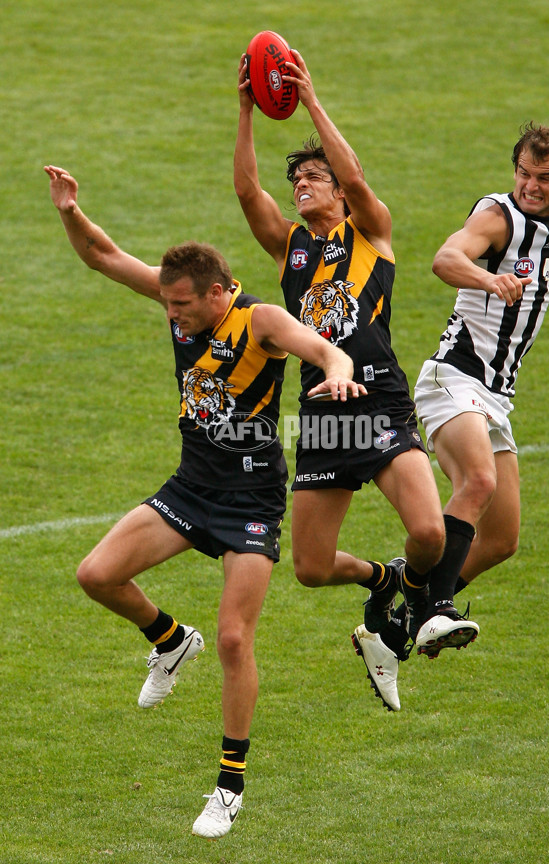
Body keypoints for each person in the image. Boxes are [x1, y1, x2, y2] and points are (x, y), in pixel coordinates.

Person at [45, 164, 363, 838]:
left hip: (250, 497)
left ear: (218, 292)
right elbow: (105, 257)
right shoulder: (177, 303)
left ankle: (229, 786)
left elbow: (324, 350)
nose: (172, 315)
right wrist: (72, 212)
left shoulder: (262, 322)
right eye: (167, 303)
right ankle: (167, 641)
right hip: (192, 486)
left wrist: (337, 376)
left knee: (233, 637)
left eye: (183, 305)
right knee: (96, 574)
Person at [234, 50, 471, 713]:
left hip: (379, 404)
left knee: (429, 532)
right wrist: (247, 110)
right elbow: (248, 193)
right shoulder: (291, 249)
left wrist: (310, 99)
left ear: (338, 188)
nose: (303, 185)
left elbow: (358, 175)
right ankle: (386, 580)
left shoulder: (371, 232)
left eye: (316, 177)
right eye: (299, 179)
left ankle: (422, 600)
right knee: (310, 567)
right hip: (323, 416)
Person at [396, 122, 549, 663]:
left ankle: (396, 615)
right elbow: (446, 258)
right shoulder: (496, 216)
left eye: (545, 178)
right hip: (452, 377)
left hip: (495, 394)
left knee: (502, 539)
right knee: (478, 480)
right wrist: (490, 280)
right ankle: (435, 607)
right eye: (524, 174)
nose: (531, 186)